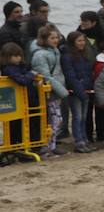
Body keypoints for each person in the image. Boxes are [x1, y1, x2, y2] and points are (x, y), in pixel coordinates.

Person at [30, 25, 67, 157]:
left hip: (54, 91)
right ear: (44, 38)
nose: (56, 40)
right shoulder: (40, 55)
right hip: (48, 92)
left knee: (56, 120)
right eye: (52, 38)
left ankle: (52, 146)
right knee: (54, 120)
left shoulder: (54, 51)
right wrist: (62, 90)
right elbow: (45, 75)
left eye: (57, 37)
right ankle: (46, 148)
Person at [62, 31, 96, 151]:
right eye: (79, 41)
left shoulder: (85, 55)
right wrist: (80, 91)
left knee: (84, 117)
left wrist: (88, 87)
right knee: (77, 116)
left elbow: (88, 73)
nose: (82, 43)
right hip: (75, 91)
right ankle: (79, 141)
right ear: (73, 42)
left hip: (86, 89)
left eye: (83, 41)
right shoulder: (67, 57)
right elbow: (70, 76)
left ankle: (84, 139)